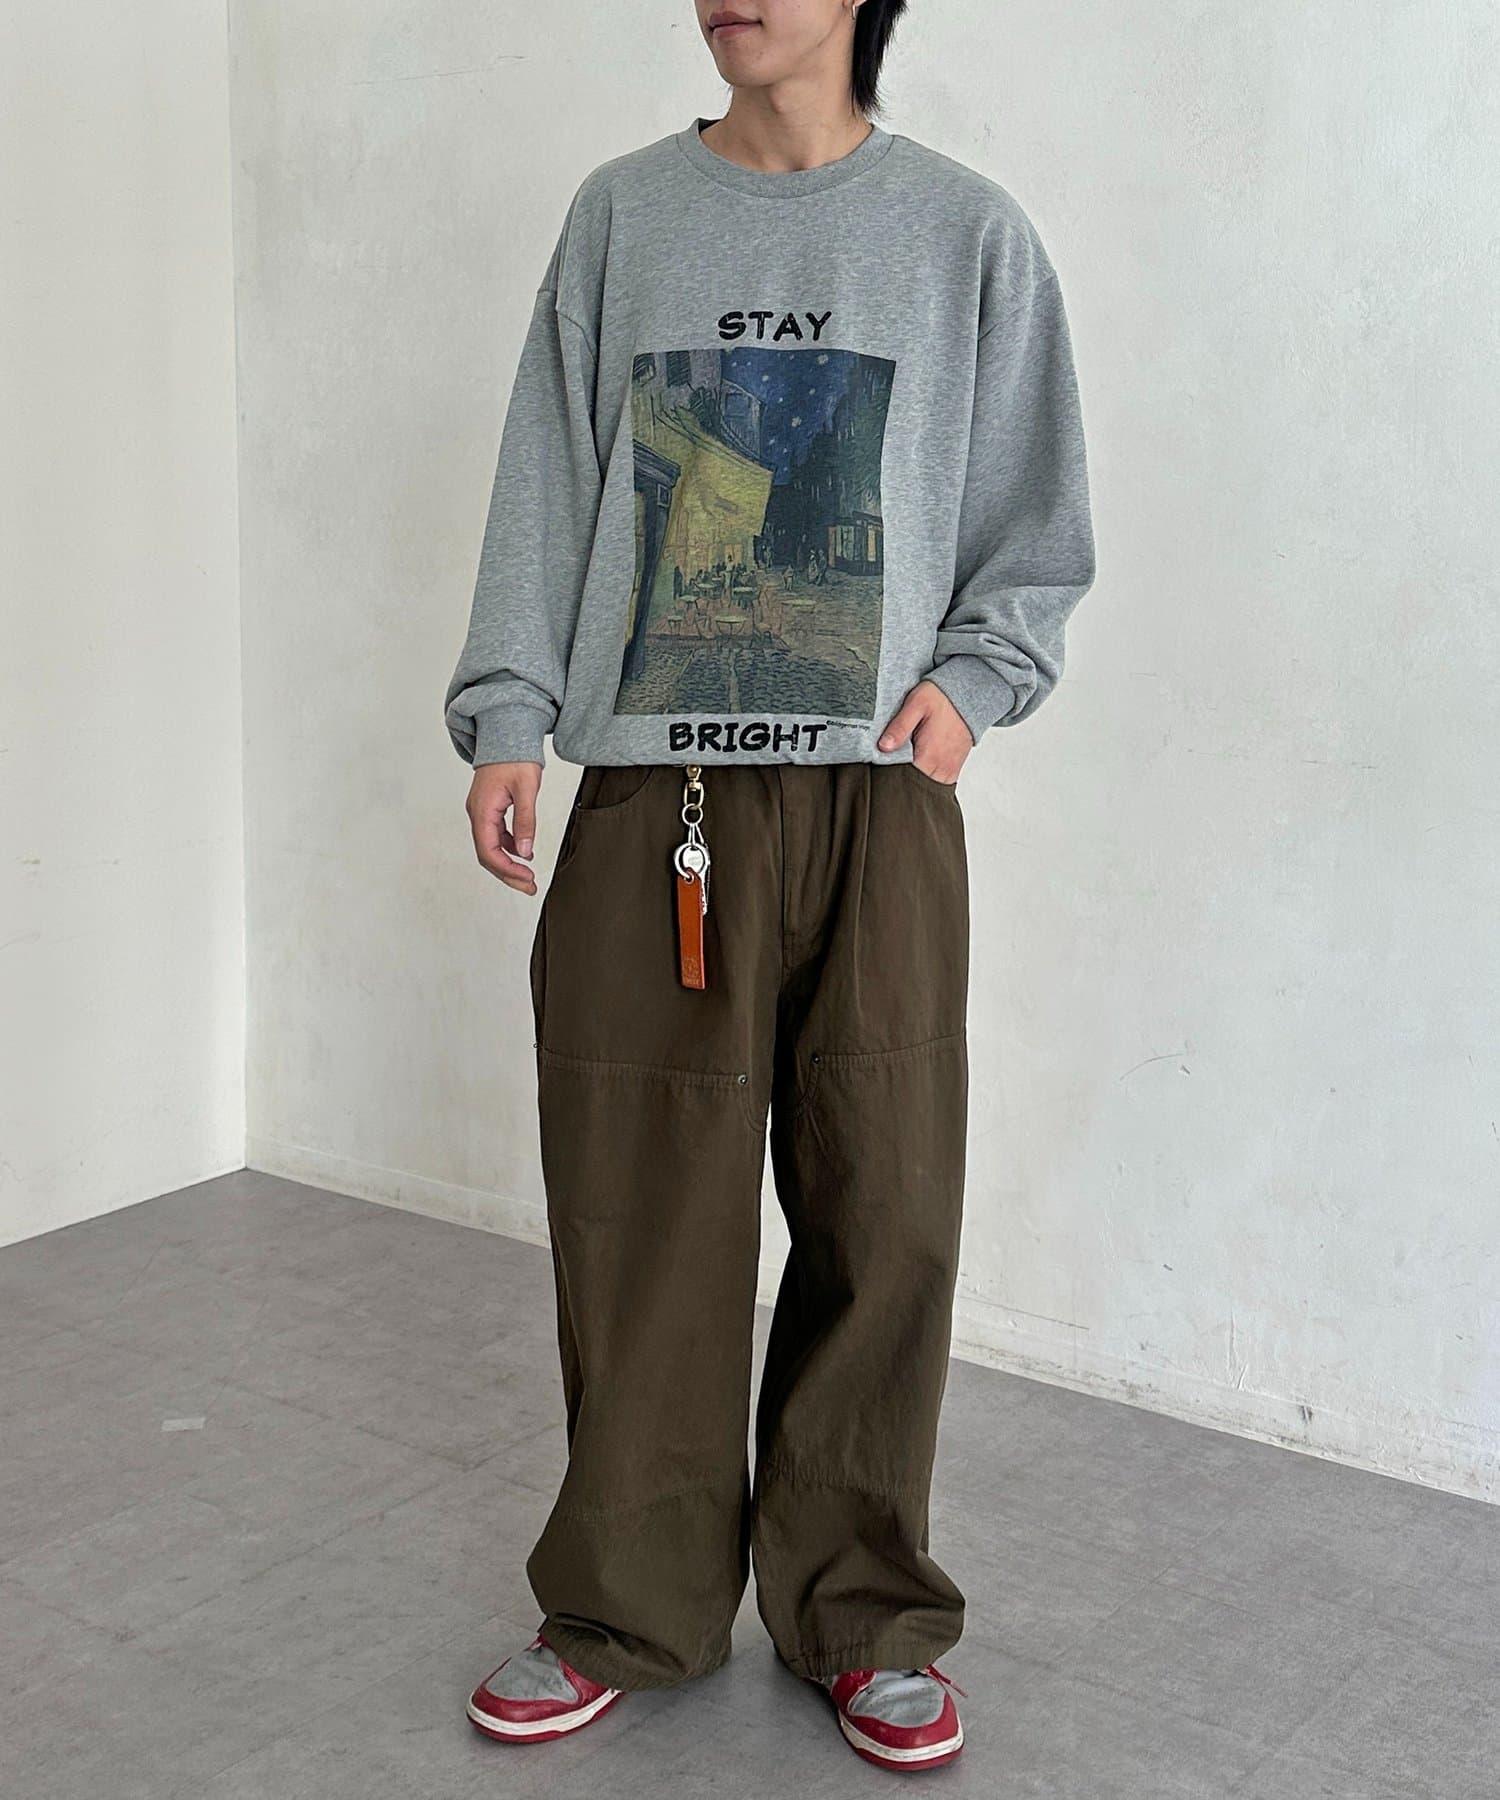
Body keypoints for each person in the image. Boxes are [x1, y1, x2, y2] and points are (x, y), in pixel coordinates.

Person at [444, 0, 1095, 1773]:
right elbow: (548, 473)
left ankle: (862, 1608)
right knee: (642, 1211)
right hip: (653, 799)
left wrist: (971, 689)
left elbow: (1036, 515)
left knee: (886, 1210)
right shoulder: (622, 216)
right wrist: (509, 714)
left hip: (880, 805)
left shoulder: (964, 232)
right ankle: (625, 1604)